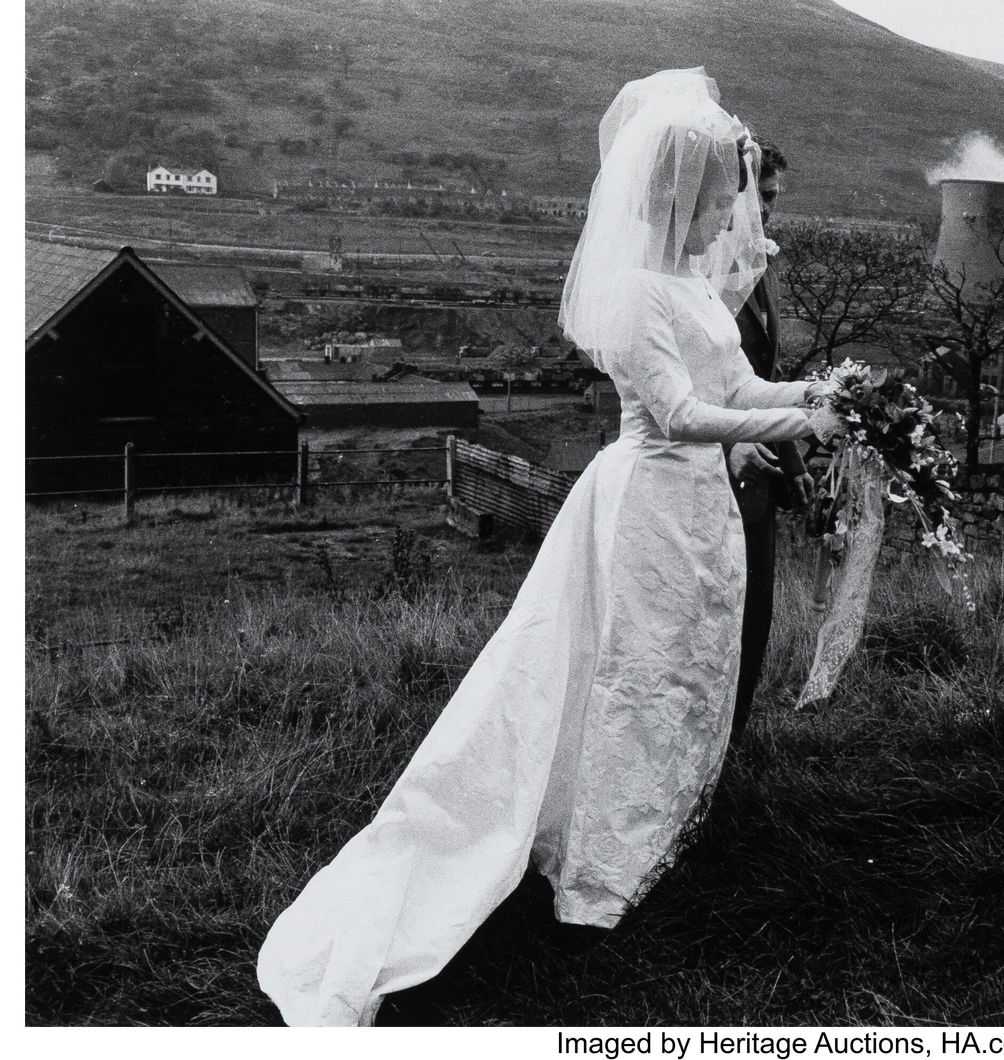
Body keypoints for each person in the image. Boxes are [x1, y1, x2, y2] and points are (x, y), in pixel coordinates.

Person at [256, 68, 838, 1027]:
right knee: (629, 673)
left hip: (702, 515)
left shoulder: (694, 289)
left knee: (684, 668)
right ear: (681, 195)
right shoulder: (634, 298)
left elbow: (737, 387)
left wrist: (822, 400)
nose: (730, 219)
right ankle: (596, 870)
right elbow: (687, 413)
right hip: (646, 501)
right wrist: (796, 429)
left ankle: (656, 829)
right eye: (721, 201)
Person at [726, 137, 812, 744]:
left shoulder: (762, 262)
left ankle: (734, 743)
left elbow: (761, 379)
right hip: (711, 471)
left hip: (762, 468)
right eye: (766, 196)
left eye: (777, 197)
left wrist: (795, 460)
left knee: (756, 616)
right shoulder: (694, 269)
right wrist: (726, 446)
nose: (773, 210)